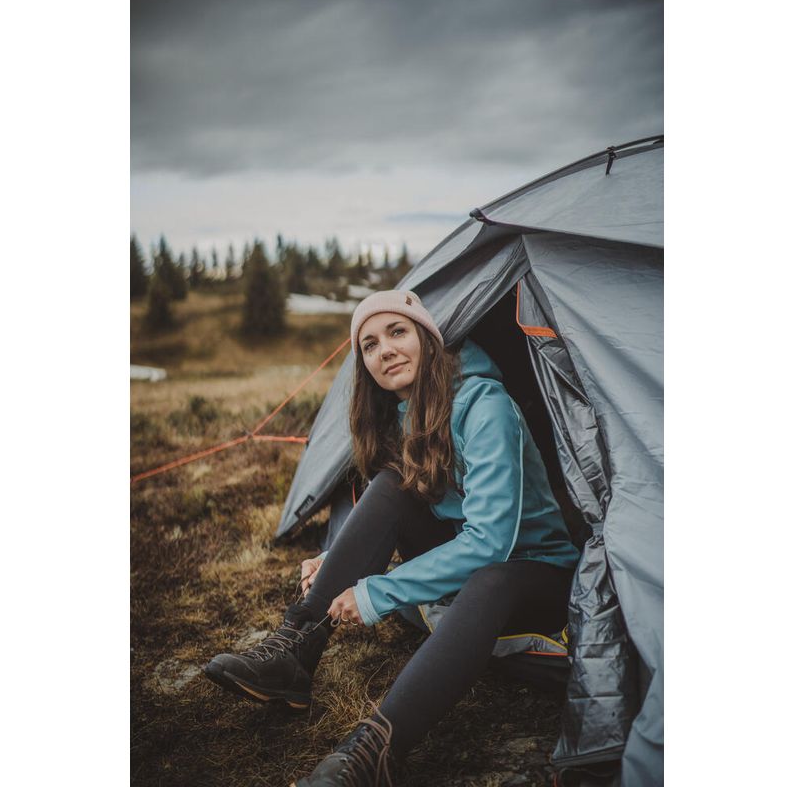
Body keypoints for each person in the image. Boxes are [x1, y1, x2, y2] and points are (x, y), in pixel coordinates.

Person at [204, 289, 581, 786]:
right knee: (390, 485)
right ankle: (295, 650)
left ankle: (374, 752)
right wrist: (337, 558)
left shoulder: (485, 406)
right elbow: (411, 511)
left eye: (397, 332)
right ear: (364, 365)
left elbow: (491, 542)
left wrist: (375, 592)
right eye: (370, 345)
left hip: (537, 575)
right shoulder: (399, 417)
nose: (385, 350)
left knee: (491, 578)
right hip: (471, 566)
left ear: (427, 338)